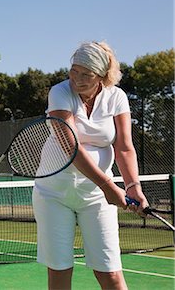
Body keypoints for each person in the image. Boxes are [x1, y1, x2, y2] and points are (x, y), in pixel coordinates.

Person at [32, 41, 149, 290]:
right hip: (53, 194)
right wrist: (108, 185)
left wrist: (132, 186)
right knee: (60, 272)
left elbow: (124, 147)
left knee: (111, 274)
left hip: (96, 197)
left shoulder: (117, 97)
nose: (77, 79)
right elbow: (71, 147)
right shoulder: (60, 92)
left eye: (86, 74)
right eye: (74, 71)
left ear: (103, 76)